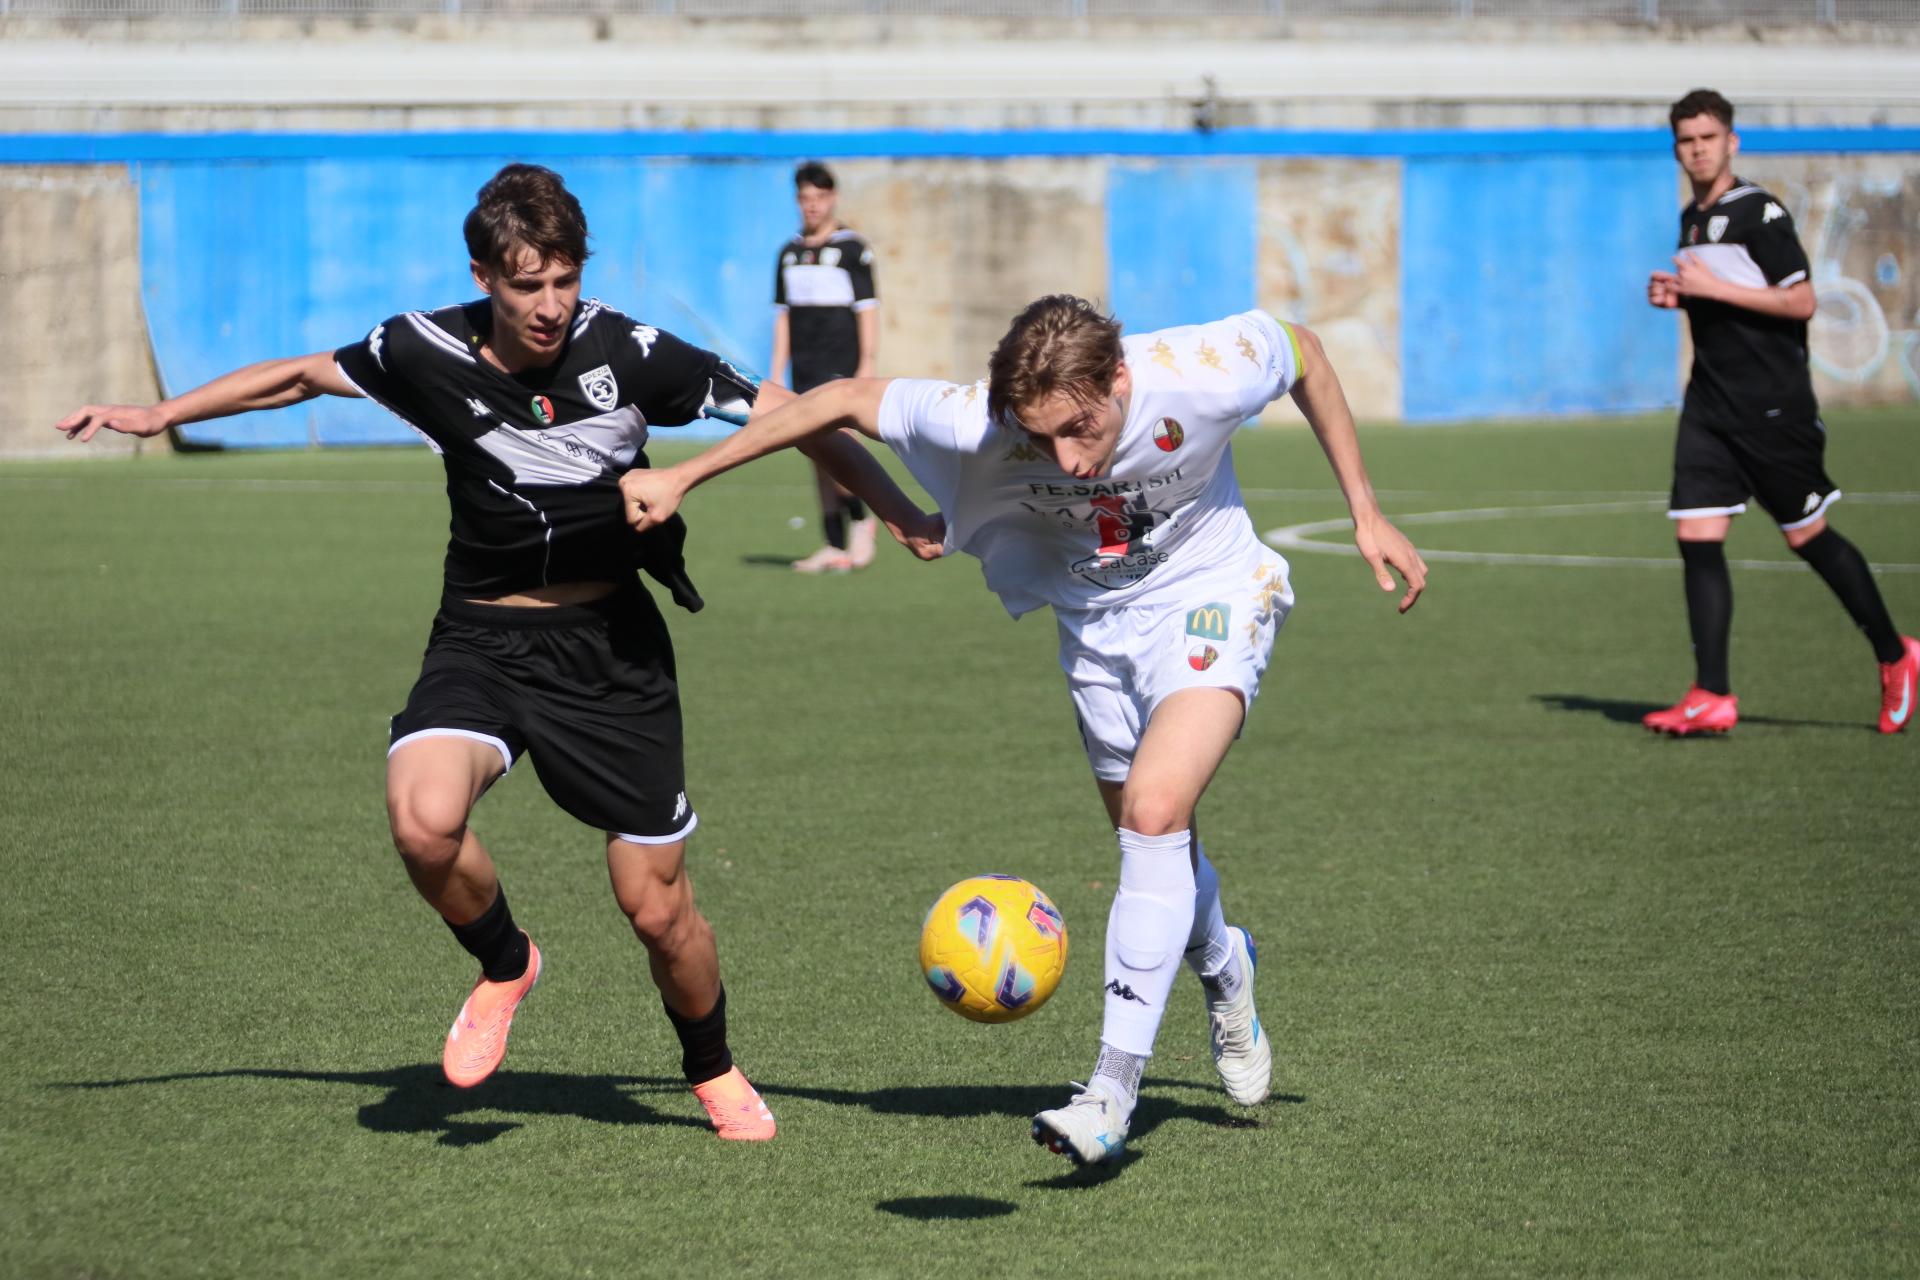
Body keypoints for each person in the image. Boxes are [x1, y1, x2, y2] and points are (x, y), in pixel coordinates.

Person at [55, 163, 935, 1141]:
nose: (551, 305)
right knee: (422, 821)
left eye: (566, 279)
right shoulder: (422, 350)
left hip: (609, 653)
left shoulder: (631, 352)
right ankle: (508, 962)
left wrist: (895, 507)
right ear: (483, 277)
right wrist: (161, 415)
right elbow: (301, 376)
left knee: (655, 909)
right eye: (527, 285)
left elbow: (800, 412)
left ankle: (713, 1065)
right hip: (480, 635)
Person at [619, 295, 1427, 1165]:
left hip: (1215, 596)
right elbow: (839, 400)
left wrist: (1365, 509)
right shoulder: (978, 416)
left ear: (1119, 379)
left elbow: (1303, 351)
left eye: (1080, 429)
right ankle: (1225, 963)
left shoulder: (1201, 370)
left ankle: (1110, 1092)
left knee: (1153, 811)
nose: (1068, 460)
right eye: (1041, 440)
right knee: (1155, 838)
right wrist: (687, 477)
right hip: (1095, 627)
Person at [1645, 89, 1917, 736]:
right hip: (1710, 404)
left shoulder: (1759, 212)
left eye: (1709, 138)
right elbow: (1729, 300)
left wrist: (1710, 287)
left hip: (1771, 405)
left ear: (1732, 142)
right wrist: (1682, 296)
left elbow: (1800, 302)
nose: (1698, 149)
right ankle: (1711, 693)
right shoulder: (1692, 218)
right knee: (1696, 536)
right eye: (1687, 140)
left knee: (1806, 536)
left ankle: (1896, 653)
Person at [768, 161, 883, 574]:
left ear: (832, 198)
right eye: (805, 198)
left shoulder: (852, 249)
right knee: (816, 454)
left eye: (819, 197)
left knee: (840, 449)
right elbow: (783, 317)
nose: (812, 205)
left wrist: (866, 366)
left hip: (841, 367)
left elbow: (868, 311)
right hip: (805, 369)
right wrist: (776, 372)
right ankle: (833, 543)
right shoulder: (788, 253)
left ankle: (862, 521)